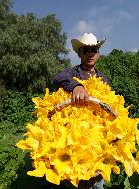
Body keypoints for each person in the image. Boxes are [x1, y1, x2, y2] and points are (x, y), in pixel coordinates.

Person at [53, 33, 111, 189]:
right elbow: (58, 79)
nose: (90, 54)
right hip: (75, 138)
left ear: (98, 53)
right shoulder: (72, 73)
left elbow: (110, 105)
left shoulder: (104, 79)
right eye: (86, 51)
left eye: (94, 50)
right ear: (79, 54)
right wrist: (76, 86)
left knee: (97, 182)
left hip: (97, 140)